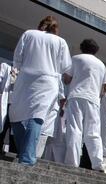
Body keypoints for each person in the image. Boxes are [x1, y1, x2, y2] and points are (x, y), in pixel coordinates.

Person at [10, 16, 71, 165]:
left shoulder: (28, 34)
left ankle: (26, 155)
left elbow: (18, 57)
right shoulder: (60, 42)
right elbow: (65, 67)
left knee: (15, 114)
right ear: (56, 28)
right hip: (47, 81)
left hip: (25, 78)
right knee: (36, 117)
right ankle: (26, 154)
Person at [64, 39, 106, 171]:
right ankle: (98, 163)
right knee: (93, 132)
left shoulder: (76, 58)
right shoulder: (102, 65)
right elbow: (104, 88)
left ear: (82, 47)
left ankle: (72, 162)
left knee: (75, 129)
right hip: (93, 99)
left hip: (76, 96)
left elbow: (67, 79)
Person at [0, 63, 16, 154]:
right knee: (2, 128)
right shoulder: (6, 67)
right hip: (5, 104)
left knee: (14, 134)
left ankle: (12, 154)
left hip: (17, 107)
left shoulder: (26, 73)